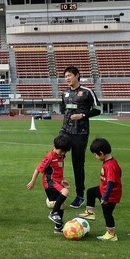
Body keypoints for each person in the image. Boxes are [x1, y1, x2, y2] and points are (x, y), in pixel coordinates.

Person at [59, 66, 101, 209]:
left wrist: (82, 115)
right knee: (55, 159)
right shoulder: (64, 93)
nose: (67, 78)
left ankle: (79, 195)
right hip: (65, 132)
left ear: (77, 75)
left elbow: (98, 110)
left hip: (80, 134)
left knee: (78, 165)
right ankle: (57, 191)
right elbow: (63, 110)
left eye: (69, 75)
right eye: (65, 76)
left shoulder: (87, 92)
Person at [77, 138, 122, 241]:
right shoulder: (110, 161)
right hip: (103, 189)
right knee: (91, 192)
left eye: (95, 154)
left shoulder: (110, 165)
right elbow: (119, 173)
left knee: (107, 214)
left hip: (110, 195)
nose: (95, 156)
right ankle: (90, 212)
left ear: (101, 153)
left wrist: (106, 197)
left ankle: (111, 234)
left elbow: (111, 182)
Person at [26, 135, 72, 234]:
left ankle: (58, 227)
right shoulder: (49, 157)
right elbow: (38, 169)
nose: (62, 154)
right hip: (49, 182)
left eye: (65, 152)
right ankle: (53, 213)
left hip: (57, 182)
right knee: (65, 192)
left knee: (62, 205)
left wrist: (62, 180)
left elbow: (58, 169)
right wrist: (33, 181)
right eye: (61, 151)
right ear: (54, 146)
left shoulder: (62, 155)